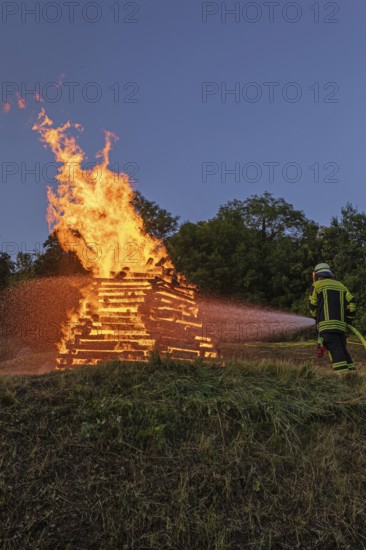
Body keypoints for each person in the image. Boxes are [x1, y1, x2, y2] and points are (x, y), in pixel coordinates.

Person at [309, 263, 356, 372]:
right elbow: (352, 302)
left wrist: (316, 317)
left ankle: (343, 378)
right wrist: (348, 319)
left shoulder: (316, 285)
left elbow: (312, 306)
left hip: (326, 328)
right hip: (340, 328)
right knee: (343, 351)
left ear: (316, 275)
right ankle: (353, 377)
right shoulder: (341, 285)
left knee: (336, 352)